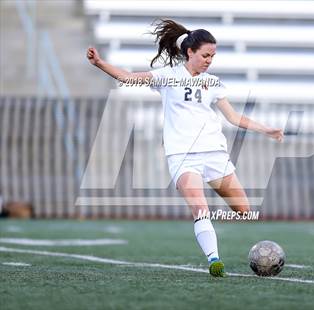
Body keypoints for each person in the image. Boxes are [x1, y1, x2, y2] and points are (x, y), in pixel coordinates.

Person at [87, 19, 283, 277]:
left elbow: (234, 118)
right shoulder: (168, 77)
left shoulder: (212, 82)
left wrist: (266, 129)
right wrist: (100, 64)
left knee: (244, 211)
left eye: (212, 56)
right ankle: (214, 260)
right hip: (182, 156)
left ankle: (213, 230)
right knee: (200, 209)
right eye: (205, 55)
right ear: (190, 52)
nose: (209, 60)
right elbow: (129, 78)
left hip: (214, 153)